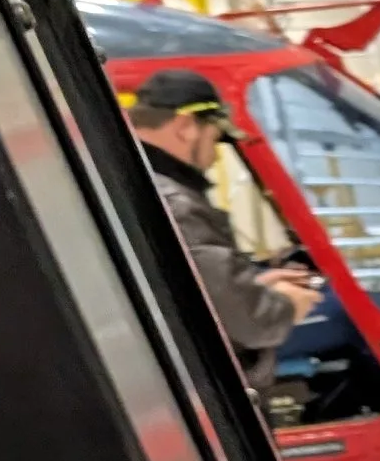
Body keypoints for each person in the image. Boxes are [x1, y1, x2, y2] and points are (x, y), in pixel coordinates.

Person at [125, 66, 323, 389]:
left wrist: (255, 283)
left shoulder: (138, 182)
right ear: (187, 127)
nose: (214, 158)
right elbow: (252, 322)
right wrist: (287, 306)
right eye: (215, 140)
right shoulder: (176, 202)